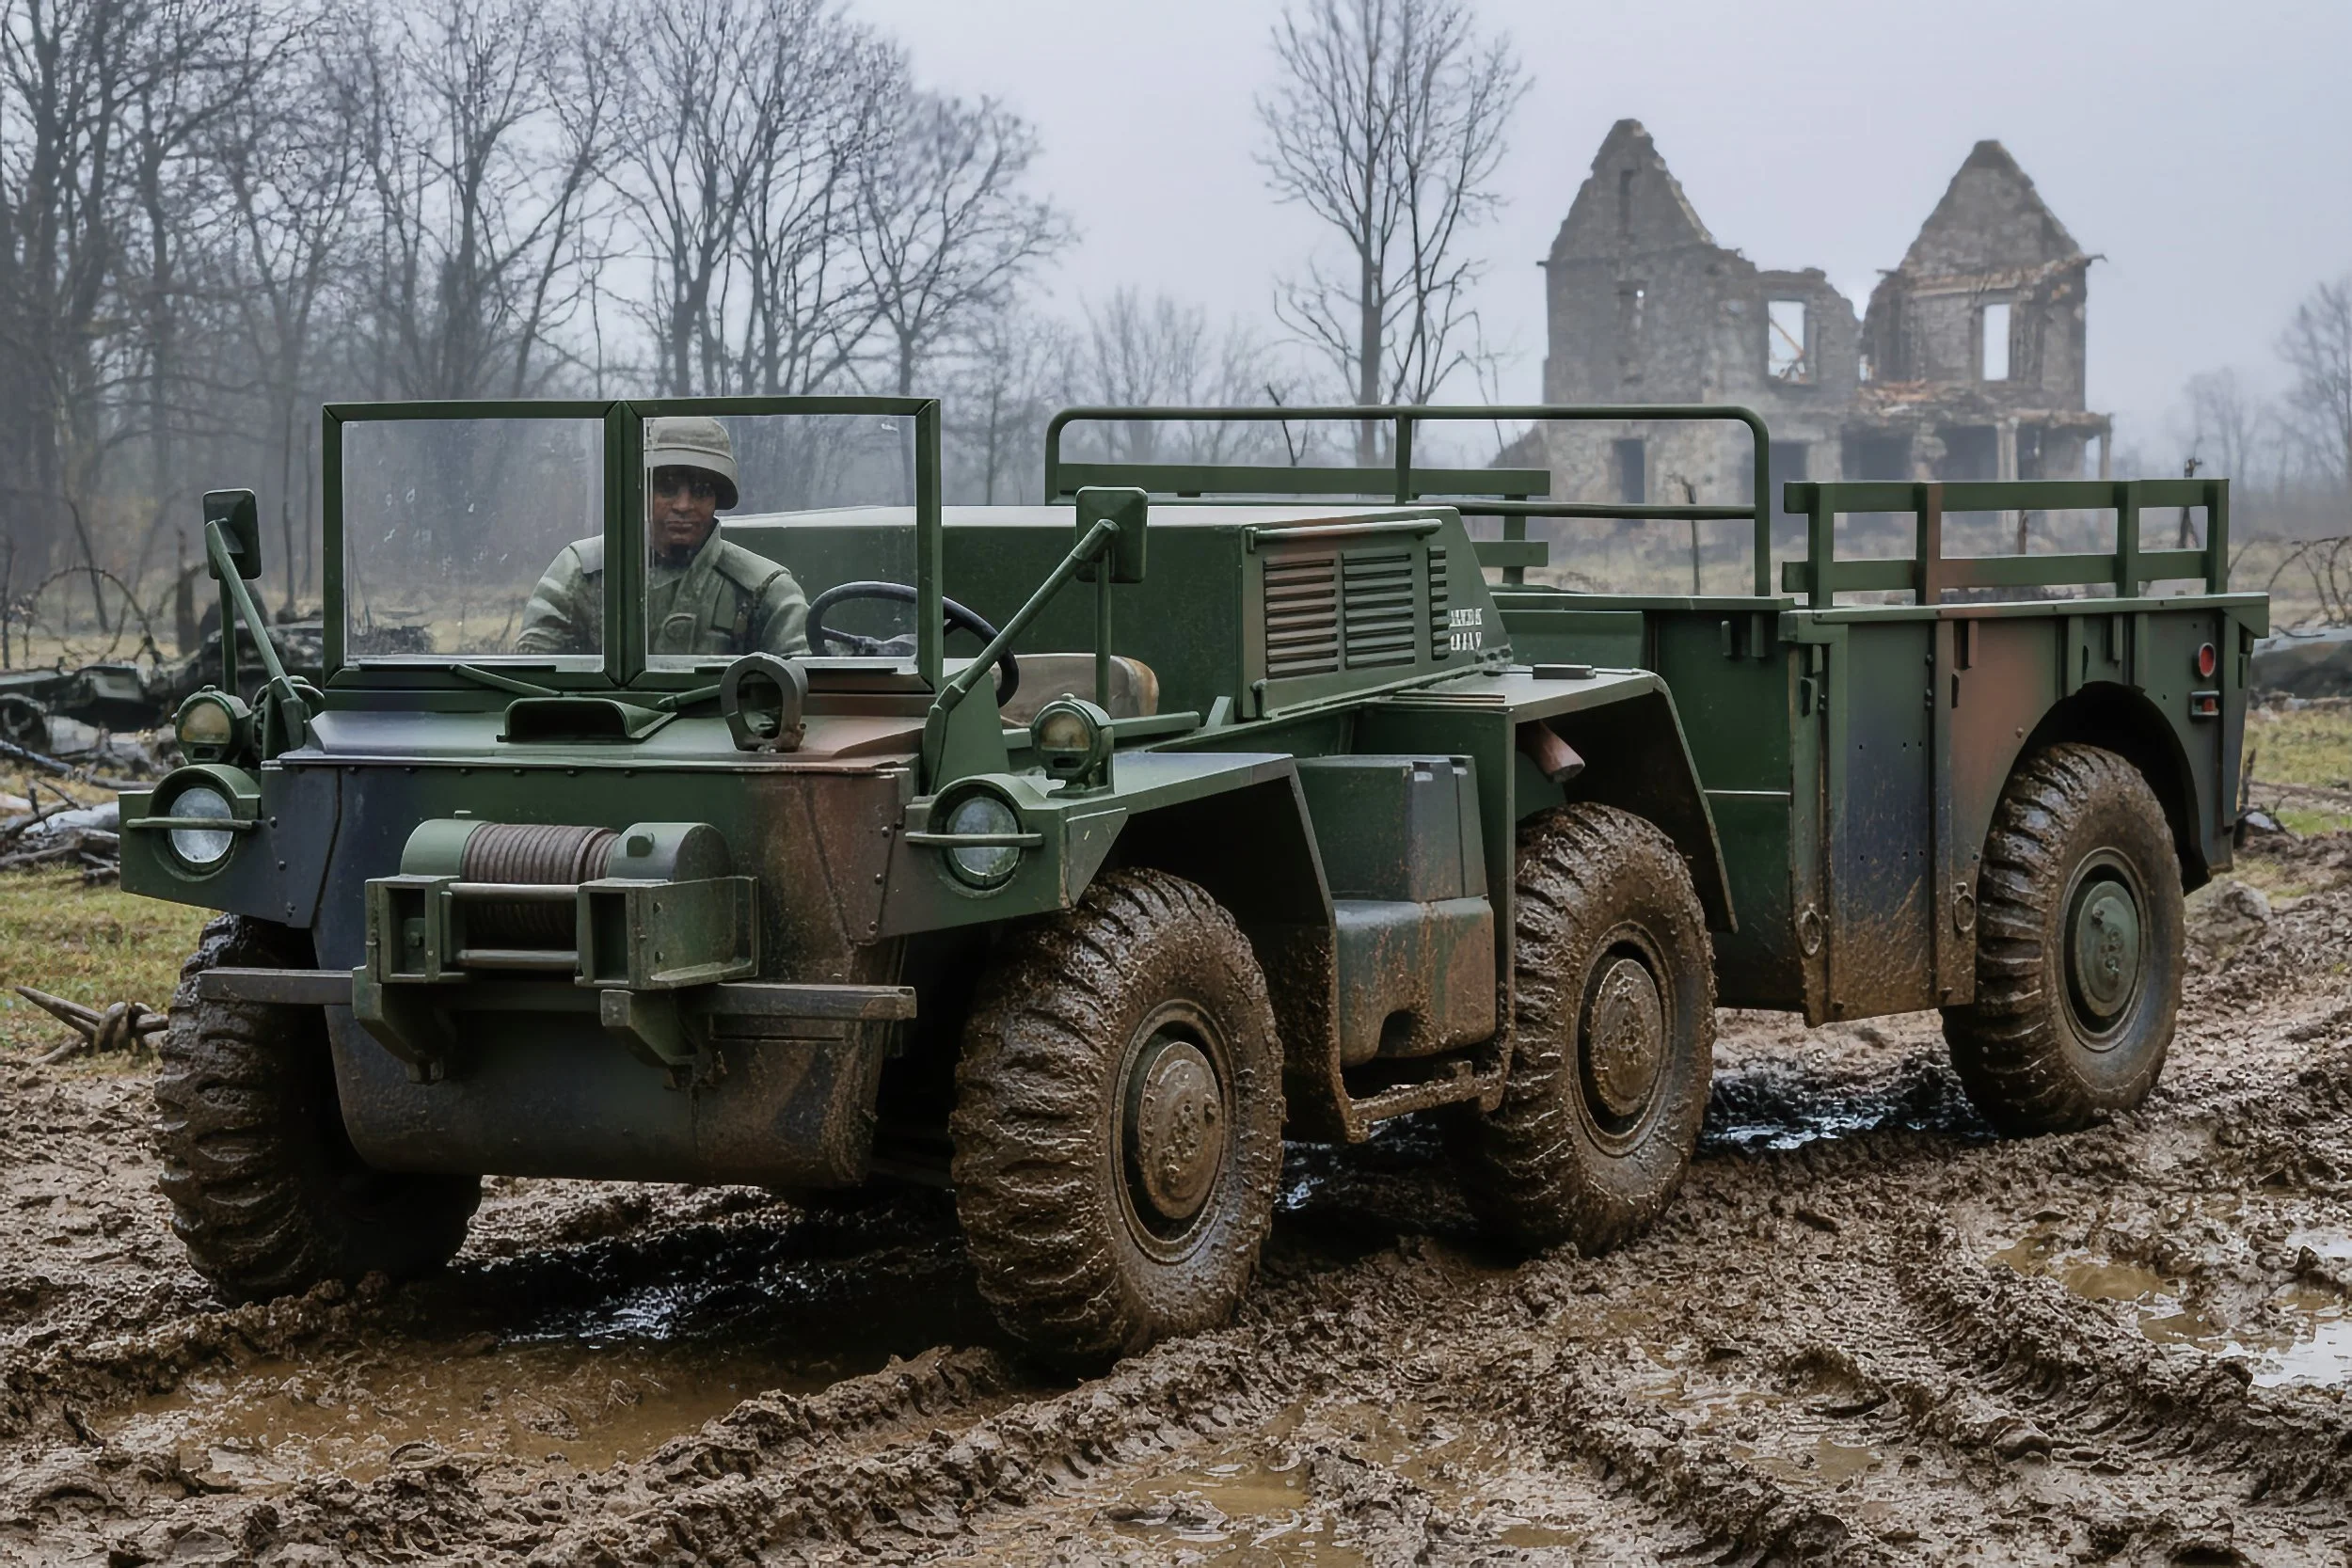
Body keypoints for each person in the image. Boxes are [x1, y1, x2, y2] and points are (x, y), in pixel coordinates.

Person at [515, 416, 809, 657]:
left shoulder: (764, 589)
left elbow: (802, 691)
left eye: (700, 491)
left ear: (716, 499)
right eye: (667, 489)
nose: (683, 505)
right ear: (643, 492)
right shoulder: (582, 571)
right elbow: (533, 674)